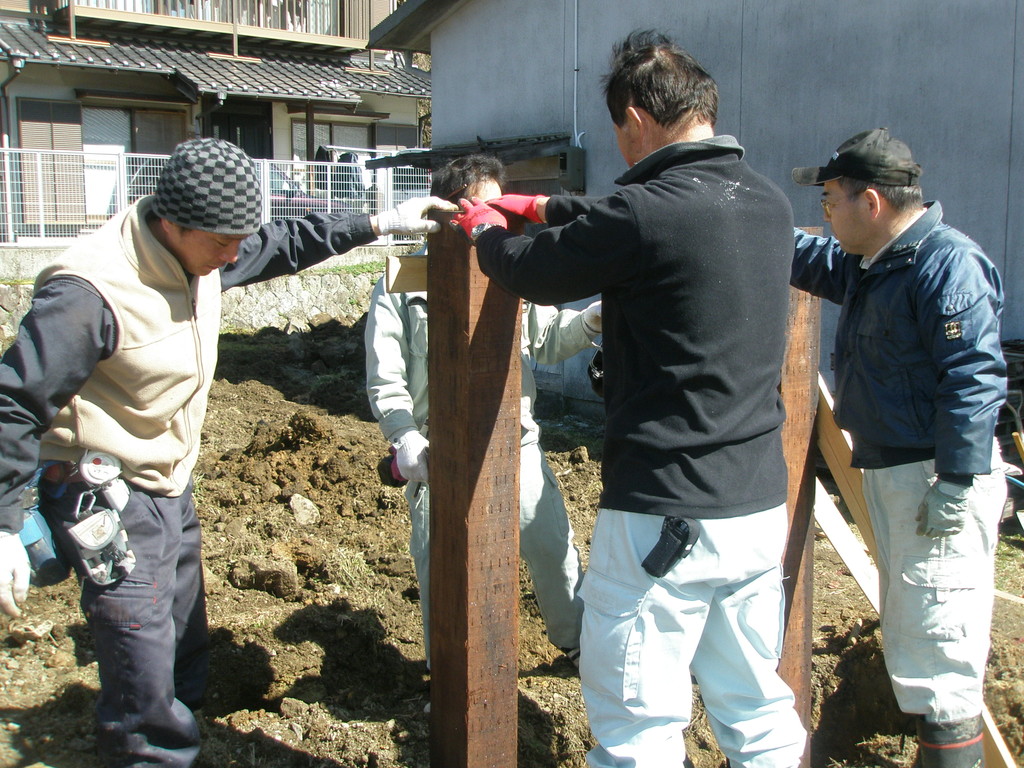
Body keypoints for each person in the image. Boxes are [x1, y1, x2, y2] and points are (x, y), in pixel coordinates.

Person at [0, 137, 455, 768]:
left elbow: (285, 244)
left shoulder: (204, 255)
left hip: (169, 479)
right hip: (100, 488)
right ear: (172, 222)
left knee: (183, 633)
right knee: (141, 649)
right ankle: (149, 750)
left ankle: (182, 718)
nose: (235, 256)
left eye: (239, 239)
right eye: (223, 242)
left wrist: (378, 222)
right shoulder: (89, 293)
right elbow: (15, 403)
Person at [453, 30, 806, 768]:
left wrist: (487, 228)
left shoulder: (646, 213)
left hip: (662, 517)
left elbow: (538, 270)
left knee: (638, 725)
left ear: (638, 118)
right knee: (757, 709)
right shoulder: (767, 205)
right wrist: (545, 203)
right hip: (753, 509)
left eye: (618, 131)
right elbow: (624, 221)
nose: (620, 148)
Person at [789, 128, 1006, 768]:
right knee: (917, 640)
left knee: (939, 656)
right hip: (896, 473)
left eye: (830, 201)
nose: (824, 215)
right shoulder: (876, 264)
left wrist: (959, 482)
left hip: (934, 480)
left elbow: (973, 376)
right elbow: (804, 256)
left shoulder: (945, 265)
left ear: (872, 201)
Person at [365, 153, 600, 665]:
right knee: (443, 568)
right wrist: (405, 437)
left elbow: (546, 339)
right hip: (439, 451)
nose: (496, 221)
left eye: (502, 210)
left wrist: (590, 322)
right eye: (484, 208)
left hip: (515, 439)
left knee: (552, 548)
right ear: (449, 213)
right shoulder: (402, 284)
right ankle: (446, 670)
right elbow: (386, 377)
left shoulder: (511, 269)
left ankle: (577, 643)